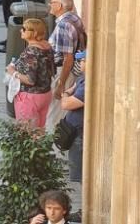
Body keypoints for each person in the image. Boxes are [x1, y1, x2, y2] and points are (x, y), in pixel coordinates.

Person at [7, 18, 56, 127]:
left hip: (30, 97)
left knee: (27, 134)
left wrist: (13, 72)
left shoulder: (31, 52)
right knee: (39, 132)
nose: (21, 30)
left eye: (24, 29)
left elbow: (30, 79)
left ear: (34, 33)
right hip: (45, 94)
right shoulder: (47, 46)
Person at [60, 51, 85, 182]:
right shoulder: (83, 77)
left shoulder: (87, 85)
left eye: (82, 61)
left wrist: (65, 95)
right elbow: (71, 89)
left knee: (79, 173)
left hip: (79, 133)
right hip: (73, 130)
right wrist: (67, 93)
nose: (79, 63)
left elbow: (66, 104)